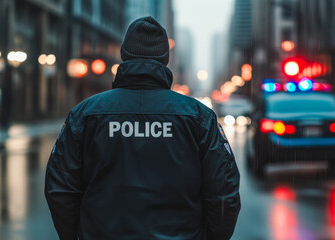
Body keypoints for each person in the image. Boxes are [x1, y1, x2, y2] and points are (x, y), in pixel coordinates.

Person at [44, 16, 240, 240]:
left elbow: (60, 188)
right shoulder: (198, 117)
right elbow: (223, 193)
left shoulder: (85, 115)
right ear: (165, 58)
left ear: (124, 55)